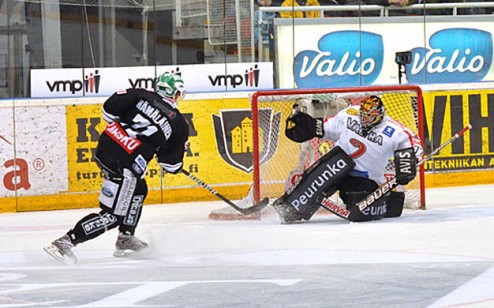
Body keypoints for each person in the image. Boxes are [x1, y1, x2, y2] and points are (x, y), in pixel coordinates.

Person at [44, 72, 189, 265]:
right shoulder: (178, 123)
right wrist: (176, 161)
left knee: (139, 188)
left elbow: (108, 112)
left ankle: (125, 238)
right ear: (175, 93)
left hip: (106, 147)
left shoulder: (140, 93)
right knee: (113, 215)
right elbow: (170, 164)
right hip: (127, 161)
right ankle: (66, 242)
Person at [272, 95, 423, 223]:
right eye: (363, 114)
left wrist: (408, 161)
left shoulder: (395, 130)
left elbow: (415, 146)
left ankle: (392, 198)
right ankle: (291, 207)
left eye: (369, 116)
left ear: (379, 115)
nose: (364, 119)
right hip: (336, 165)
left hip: (365, 178)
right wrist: (312, 127)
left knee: (358, 205)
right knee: (311, 184)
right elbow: (329, 128)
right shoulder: (350, 114)